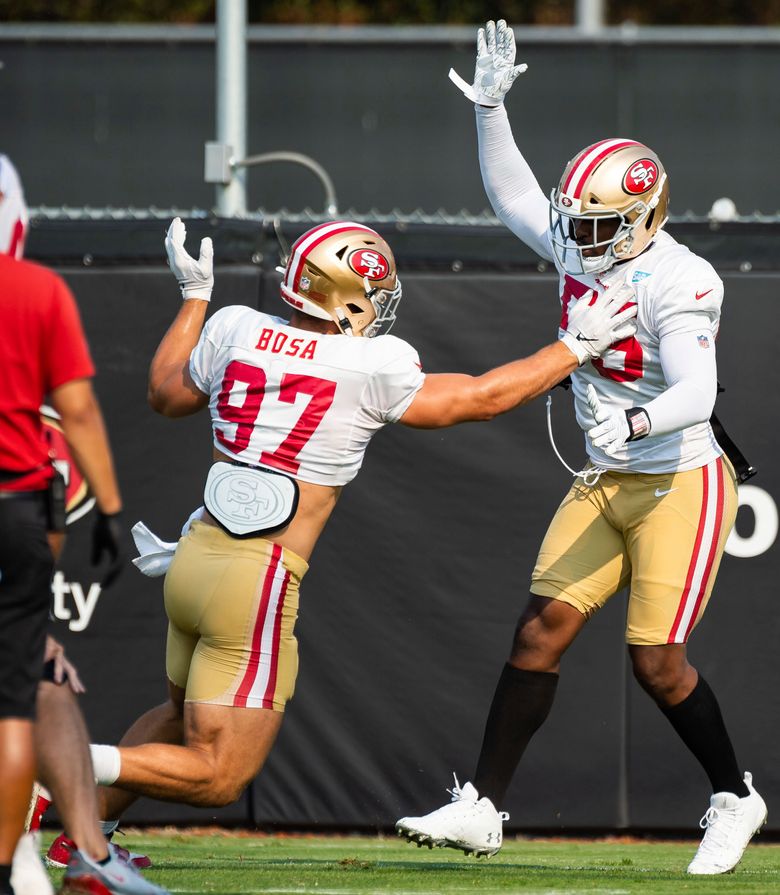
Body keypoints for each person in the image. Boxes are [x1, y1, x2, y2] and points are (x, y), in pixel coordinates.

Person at [84, 216, 636, 830]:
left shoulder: (235, 327)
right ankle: (68, 763)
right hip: (258, 578)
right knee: (219, 774)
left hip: (194, 560)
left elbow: (165, 393)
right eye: (373, 292)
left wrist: (193, 298)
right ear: (346, 294)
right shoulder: (371, 364)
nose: (379, 305)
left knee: (174, 714)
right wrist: (574, 350)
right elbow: (481, 398)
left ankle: (81, 844)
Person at [395, 20, 766, 876]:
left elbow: (698, 394)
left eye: (602, 225)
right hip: (607, 472)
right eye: (581, 223)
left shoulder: (681, 277)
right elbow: (514, 197)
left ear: (646, 217)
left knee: (657, 662)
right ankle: (483, 806)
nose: (580, 238)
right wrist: (490, 109)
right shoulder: (581, 239)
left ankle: (732, 795)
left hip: (676, 475)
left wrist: (631, 423)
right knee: (540, 632)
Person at [0, 155, 167, 895]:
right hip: (15, 505)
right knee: (23, 691)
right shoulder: (35, 289)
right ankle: (23, 862)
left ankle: (54, 856)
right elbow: (78, 409)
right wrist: (108, 506)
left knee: (34, 678)